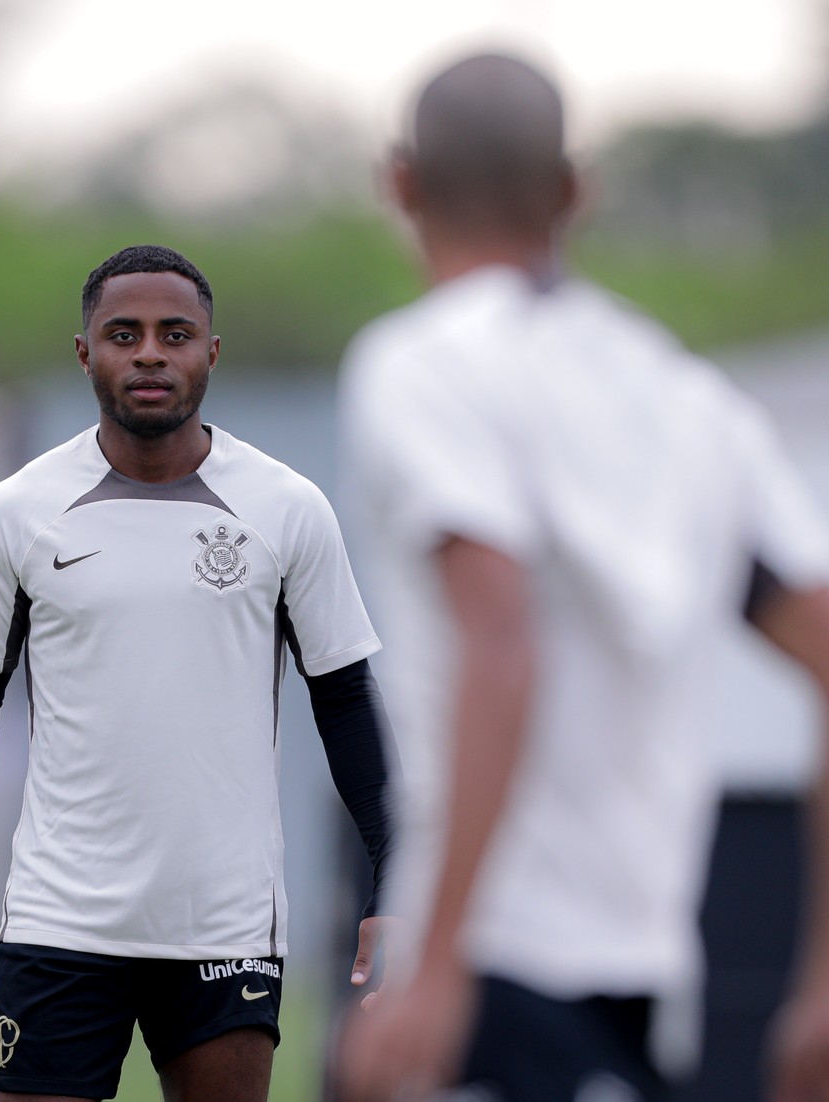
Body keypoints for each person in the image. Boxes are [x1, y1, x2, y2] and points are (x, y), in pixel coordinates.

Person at [335, 53, 829, 1102]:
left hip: (485, 976)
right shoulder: (688, 399)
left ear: (402, 184)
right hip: (646, 986)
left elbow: (501, 641)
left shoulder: (420, 367)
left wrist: (442, 967)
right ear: (574, 192)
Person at [0, 243, 396, 1102]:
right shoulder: (20, 512)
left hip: (225, 925)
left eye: (176, 333)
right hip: (60, 921)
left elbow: (345, 703)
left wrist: (395, 881)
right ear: (86, 352)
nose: (151, 353)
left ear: (211, 351)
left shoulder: (286, 509)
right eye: (124, 334)